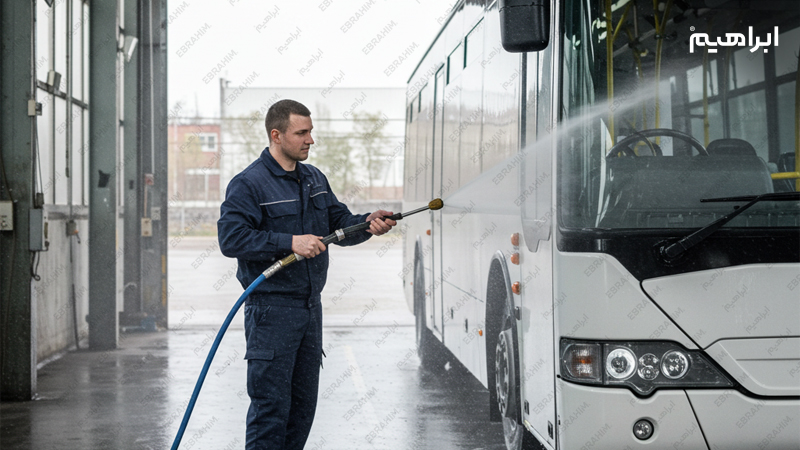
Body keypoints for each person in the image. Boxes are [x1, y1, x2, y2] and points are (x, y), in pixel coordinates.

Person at [217, 99, 396, 449]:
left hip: (310, 310)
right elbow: (231, 238)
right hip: (271, 312)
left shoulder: (314, 179)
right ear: (276, 135)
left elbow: (339, 224)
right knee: (271, 412)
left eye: (311, 132)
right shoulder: (249, 184)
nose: (310, 139)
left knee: (302, 410)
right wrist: (290, 242)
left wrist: (368, 224)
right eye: (301, 133)